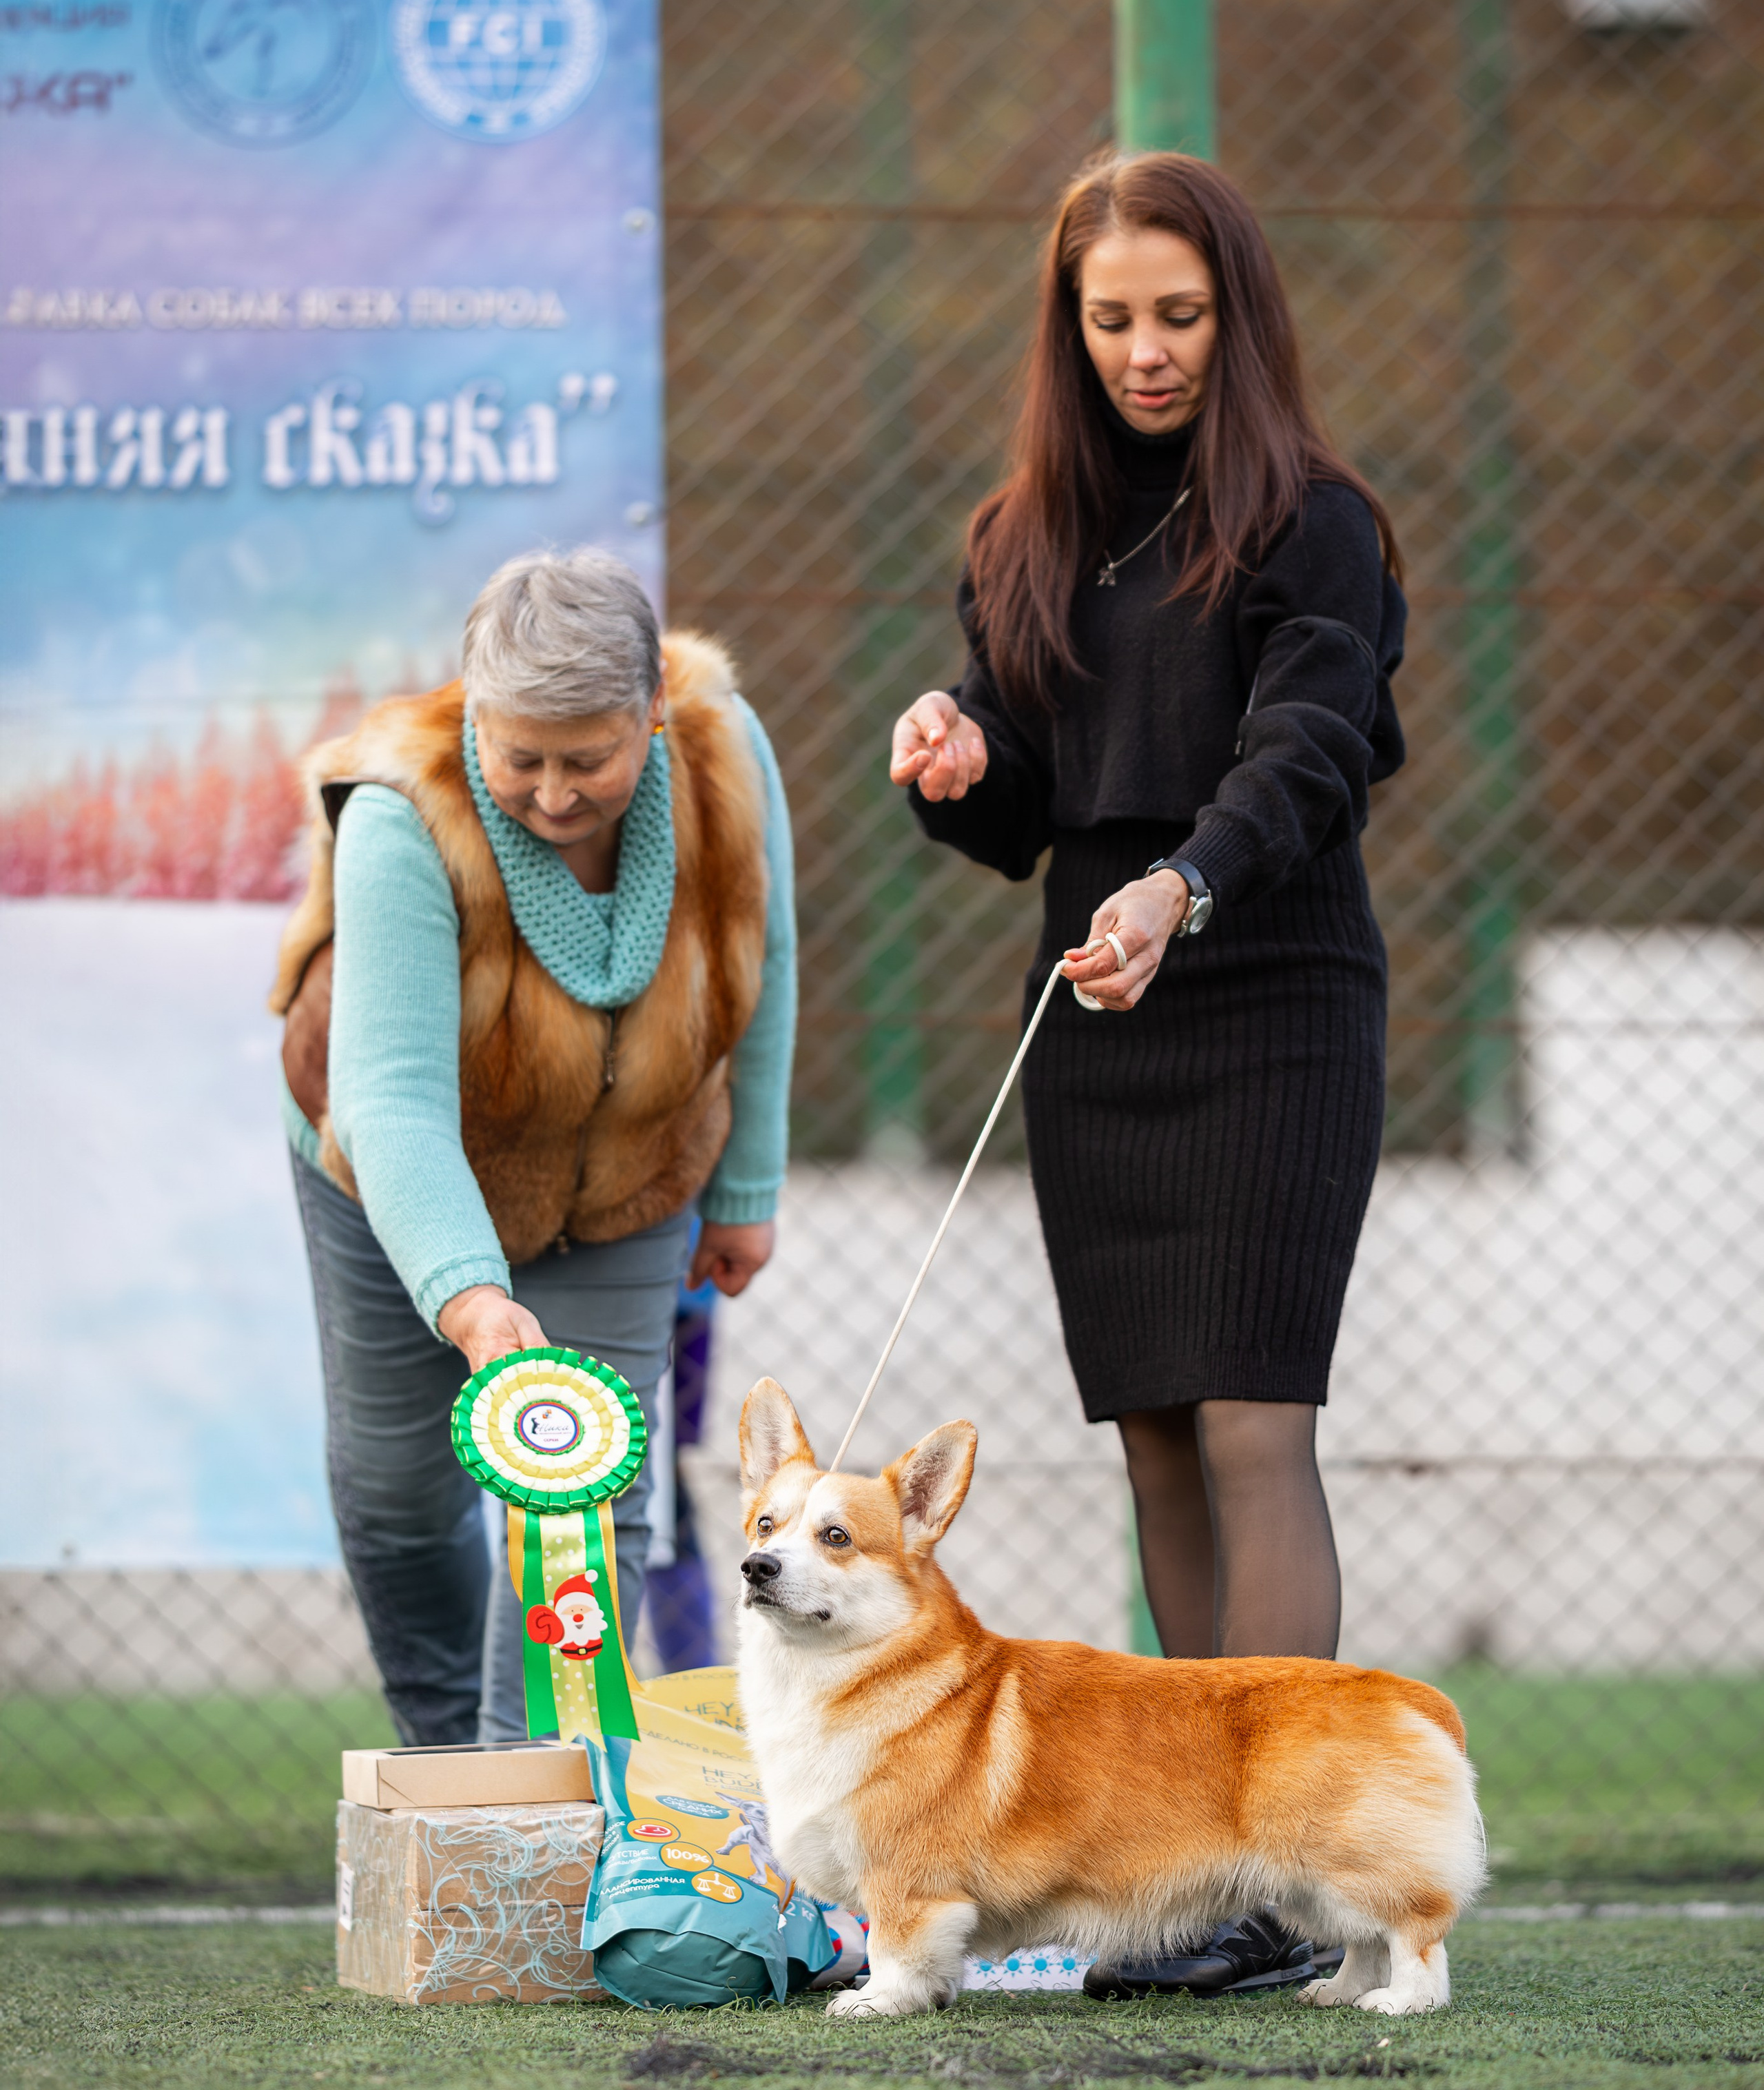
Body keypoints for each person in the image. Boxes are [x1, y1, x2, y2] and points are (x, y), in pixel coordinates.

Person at [889, 151, 1405, 1996]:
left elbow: (1314, 739)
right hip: (1099, 1002)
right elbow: (1033, 806)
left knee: (1257, 1417)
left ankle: (1289, 1869)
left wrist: (1190, 881)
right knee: (1160, 1431)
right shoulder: (1018, 533)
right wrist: (957, 754)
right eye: (1112, 318)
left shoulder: (1312, 522)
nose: (1146, 350)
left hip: (1268, 982)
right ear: (1071, 326)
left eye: (1179, 314)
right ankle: (1199, 1882)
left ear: (1238, 313)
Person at [272, 546, 794, 1745]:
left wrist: (747, 1181)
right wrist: (470, 1300)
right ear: (474, 713)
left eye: (589, 758)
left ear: (653, 708)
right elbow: (391, 1098)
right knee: (401, 1492)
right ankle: (451, 1756)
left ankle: (548, 1807)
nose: (555, 793)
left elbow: (771, 958)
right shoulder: (400, 813)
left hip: (631, 1173)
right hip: (394, 1171)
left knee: (591, 1497)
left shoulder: (725, 751)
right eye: (522, 758)